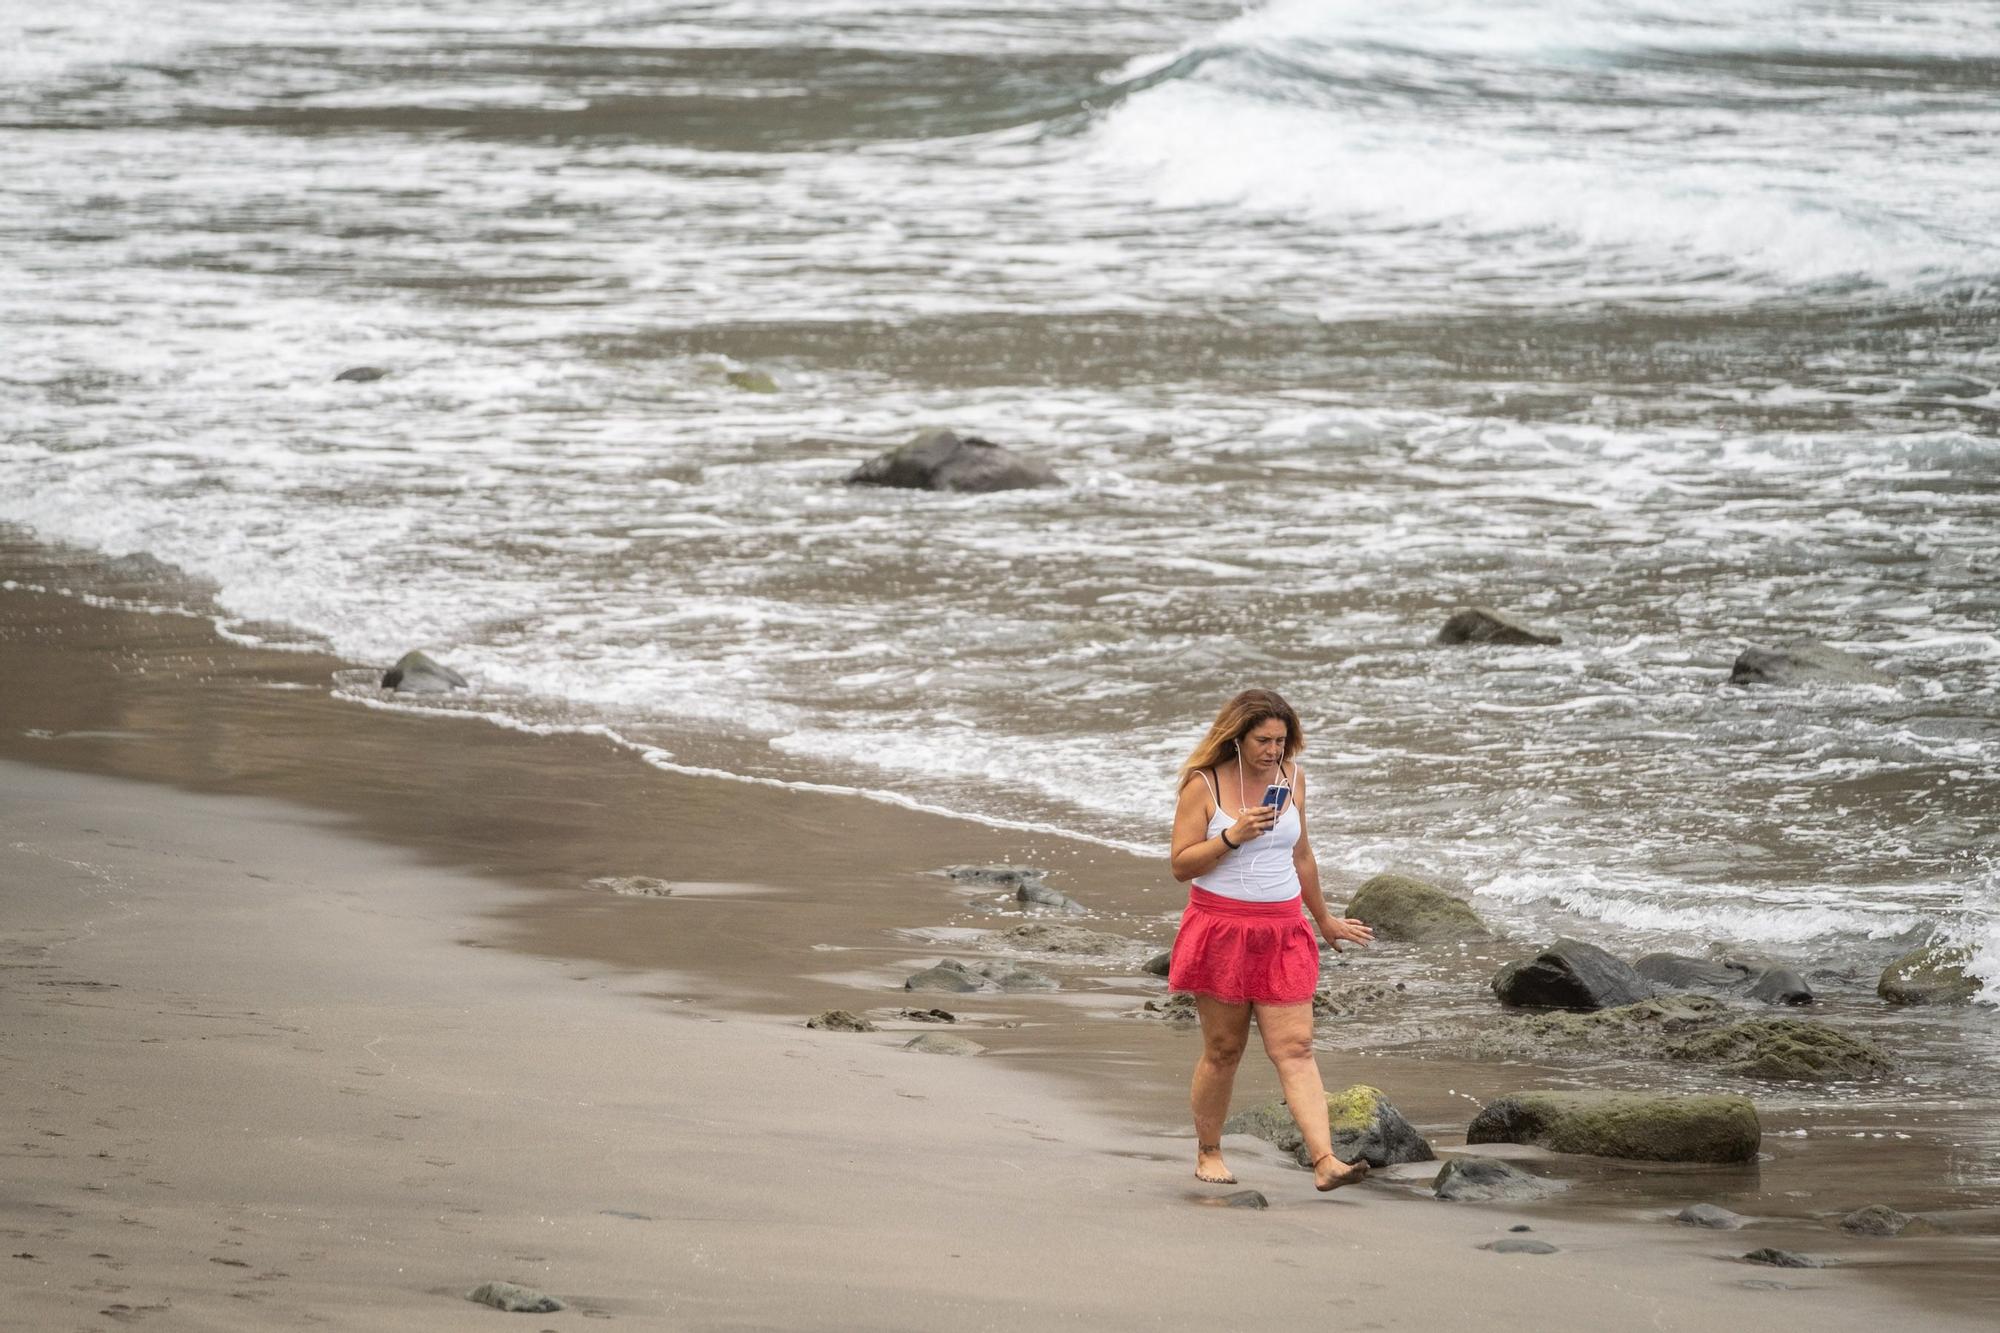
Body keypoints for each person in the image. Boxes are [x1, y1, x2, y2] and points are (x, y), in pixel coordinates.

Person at [1166, 688, 1375, 1191]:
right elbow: (1180, 865)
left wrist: (1323, 919)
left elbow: (1302, 855)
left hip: (1283, 930)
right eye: (1264, 740)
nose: (1274, 751)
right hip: (1222, 929)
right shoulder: (1205, 786)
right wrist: (1232, 836)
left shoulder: (1293, 779)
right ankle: (1209, 1151)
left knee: (1297, 1048)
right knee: (1223, 1050)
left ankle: (1325, 1161)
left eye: (1282, 741)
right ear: (1236, 737)